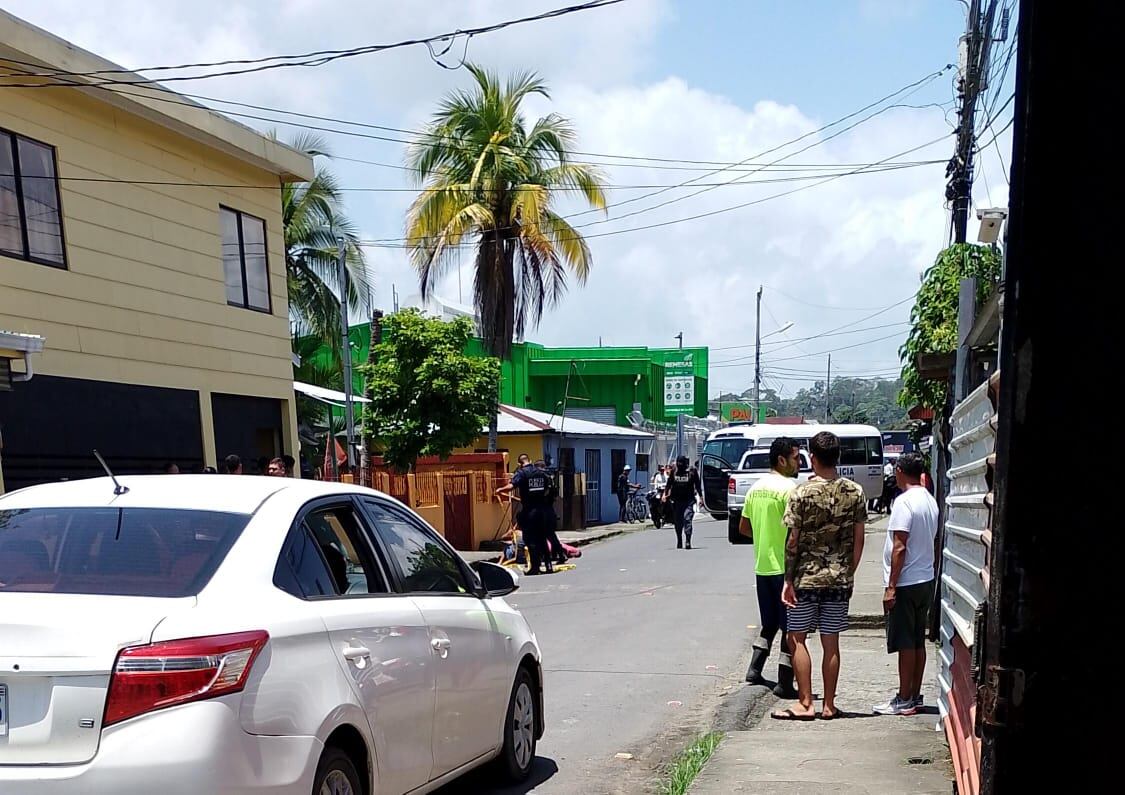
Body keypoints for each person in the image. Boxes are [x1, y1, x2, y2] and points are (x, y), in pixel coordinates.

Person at [773, 431, 866, 721]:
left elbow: (793, 540)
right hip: (839, 579)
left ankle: (805, 703)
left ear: (812, 457)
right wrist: (848, 571)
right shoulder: (855, 492)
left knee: (797, 638)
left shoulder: (800, 493)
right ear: (838, 457)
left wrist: (788, 580)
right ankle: (828, 705)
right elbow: (859, 539)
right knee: (831, 641)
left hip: (806, 580)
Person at [874, 452, 939, 716]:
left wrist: (891, 586)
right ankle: (914, 693)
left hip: (907, 581)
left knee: (905, 643)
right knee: (917, 640)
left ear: (899, 470)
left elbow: (899, 546)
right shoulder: (929, 500)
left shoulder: (904, 502)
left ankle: (904, 698)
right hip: (925, 578)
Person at [740, 437, 801, 697]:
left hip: (762, 566)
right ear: (782, 460)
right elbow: (796, 533)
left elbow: (743, 528)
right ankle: (784, 682)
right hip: (784, 569)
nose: (799, 462)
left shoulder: (756, 488)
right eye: (796, 457)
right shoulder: (789, 489)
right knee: (790, 626)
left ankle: (754, 669)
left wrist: (765, 536)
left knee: (769, 623)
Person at [497, 454, 553, 575]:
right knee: (542, 538)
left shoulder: (522, 473)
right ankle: (549, 565)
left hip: (530, 512)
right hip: (542, 510)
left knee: (530, 539)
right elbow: (549, 488)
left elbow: (512, 486)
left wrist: (500, 490)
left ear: (519, 464)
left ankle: (535, 567)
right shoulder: (540, 472)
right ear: (530, 460)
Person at [663, 455, 703, 549]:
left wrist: (701, 498)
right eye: (678, 463)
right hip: (676, 501)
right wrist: (664, 495)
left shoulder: (692, 471)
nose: (679, 465)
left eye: (681, 463)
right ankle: (679, 540)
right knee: (678, 522)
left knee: (687, 519)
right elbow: (669, 484)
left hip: (688, 500)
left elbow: (697, 485)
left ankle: (688, 541)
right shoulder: (674, 471)